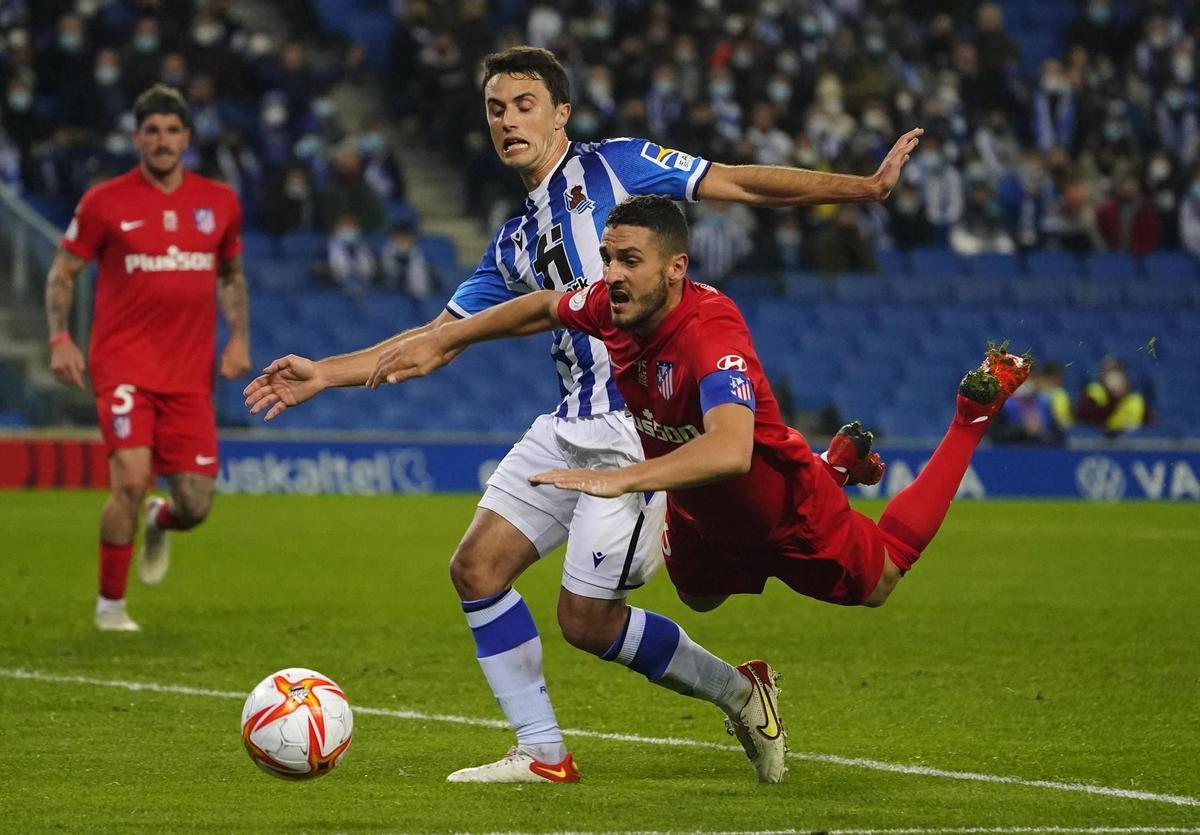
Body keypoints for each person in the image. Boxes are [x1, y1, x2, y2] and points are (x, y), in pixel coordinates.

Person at [243, 46, 921, 784]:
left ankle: (737, 689)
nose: (508, 119)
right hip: (569, 420)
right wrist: (325, 373)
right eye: (496, 108)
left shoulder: (617, 166)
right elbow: (437, 341)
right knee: (475, 568)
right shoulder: (513, 241)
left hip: (637, 428)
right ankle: (541, 752)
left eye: (524, 103)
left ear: (561, 112)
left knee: (585, 622)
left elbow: (736, 183)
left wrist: (861, 187)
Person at [364, 194, 1030, 779]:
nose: (612, 275)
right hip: (702, 515)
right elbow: (541, 305)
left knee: (881, 580)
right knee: (699, 599)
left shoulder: (711, 333)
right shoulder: (608, 304)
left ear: (675, 268)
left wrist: (619, 478)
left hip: (785, 509)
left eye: (629, 260)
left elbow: (731, 447)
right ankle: (747, 680)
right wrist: (446, 340)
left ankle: (968, 417)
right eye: (607, 257)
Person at [46, 85, 250, 632]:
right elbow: (63, 272)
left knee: (195, 506)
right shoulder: (104, 202)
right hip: (123, 367)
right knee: (130, 481)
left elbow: (231, 276)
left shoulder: (220, 202)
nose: (162, 141)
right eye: (152, 131)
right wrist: (59, 338)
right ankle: (110, 606)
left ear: (187, 137)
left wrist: (238, 339)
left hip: (188, 377)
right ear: (137, 137)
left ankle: (161, 520)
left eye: (172, 131)